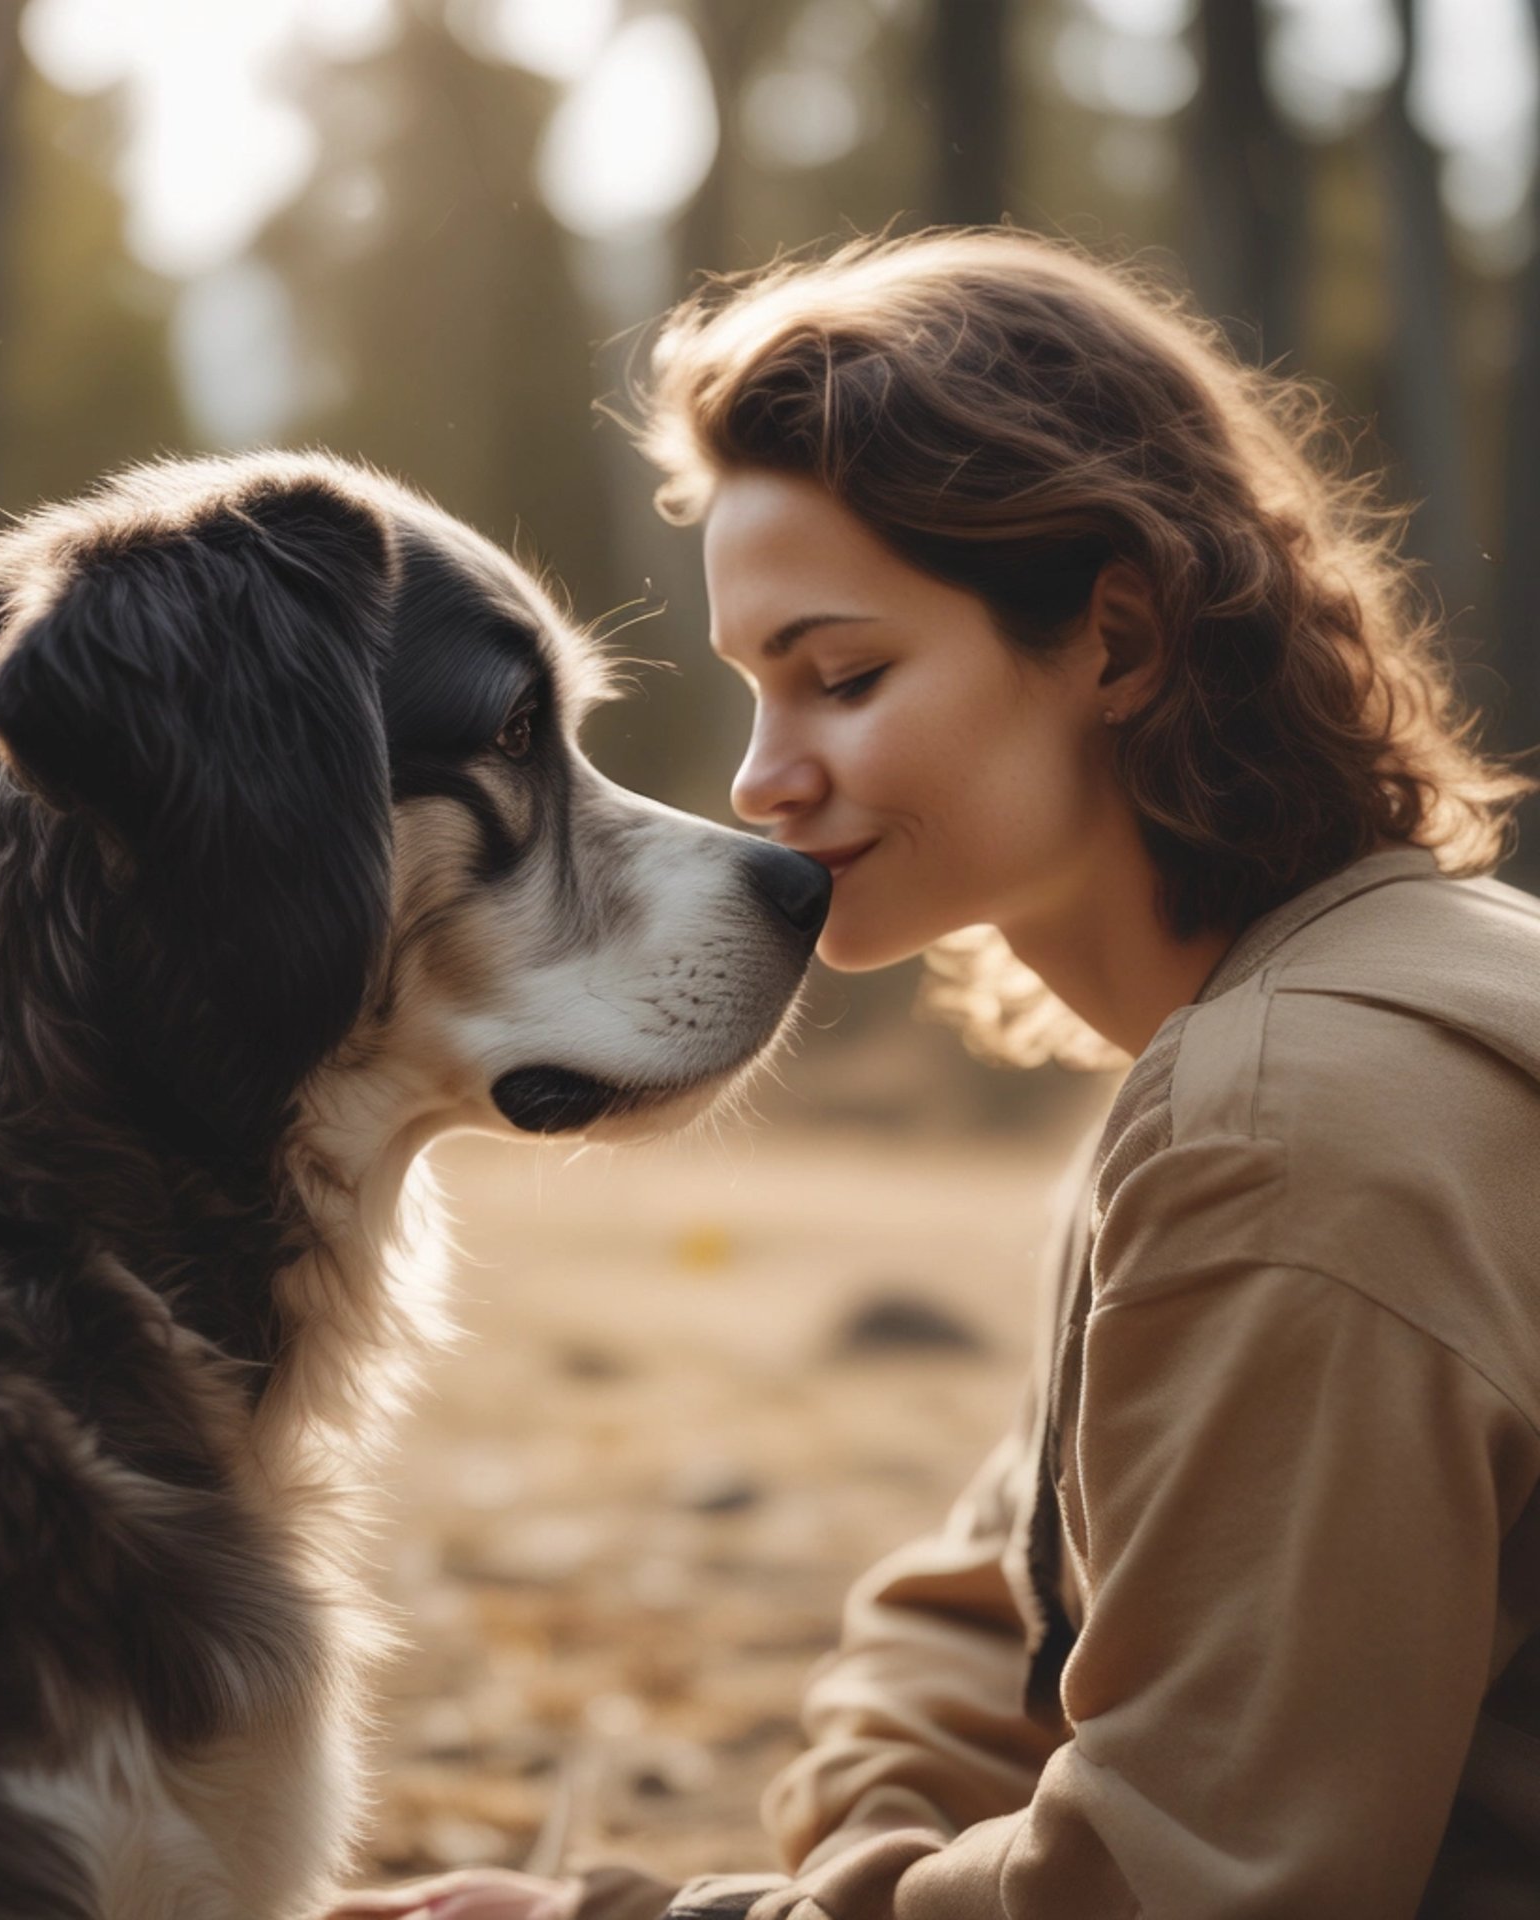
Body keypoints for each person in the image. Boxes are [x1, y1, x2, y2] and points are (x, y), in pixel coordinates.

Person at [333, 229, 1540, 1919]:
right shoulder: (1310, 1036)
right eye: (760, 691)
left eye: (845, 678)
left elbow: (1192, 1891)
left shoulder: (1289, 1129)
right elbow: (997, 1609)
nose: (761, 781)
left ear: (1117, 641)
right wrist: (866, 1869)